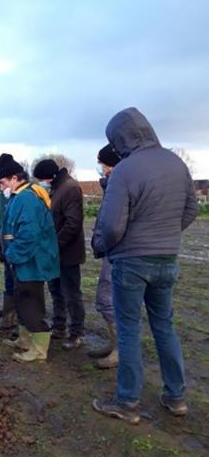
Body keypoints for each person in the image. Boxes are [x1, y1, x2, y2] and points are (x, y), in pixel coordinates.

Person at [92, 107, 198, 424]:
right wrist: (164, 236)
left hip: (131, 263)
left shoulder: (125, 170)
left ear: (122, 138)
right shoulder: (176, 163)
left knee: (128, 330)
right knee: (164, 326)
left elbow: (111, 226)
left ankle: (127, 402)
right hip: (167, 260)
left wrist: (102, 246)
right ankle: (176, 396)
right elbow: (190, 209)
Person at [0, 153, 60, 362]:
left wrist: (12, 255)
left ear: (15, 178)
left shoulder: (27, 198)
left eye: (3, 182)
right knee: (21, 300)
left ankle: (39, 350)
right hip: (22, 263)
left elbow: (28, 235)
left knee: (31, 302)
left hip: (31, 262)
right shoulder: (19, 196)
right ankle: (24, 340)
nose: (1, 186)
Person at [33, 158, 86, 349]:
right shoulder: (57, 188)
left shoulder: (70, 188)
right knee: (56, 291)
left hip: (68, 253)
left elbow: (73, 223)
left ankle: (76, 333)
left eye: (41, 179)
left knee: (71, 293)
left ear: (50, 176)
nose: (41, 183)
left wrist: (54, 244)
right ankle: (59, 326)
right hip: (54, 253)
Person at [87, 144, 121, 369]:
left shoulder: (120, 184)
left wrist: (106, 242)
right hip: (111, 250)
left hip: (118, 251)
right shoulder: (111, 185)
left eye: (104, 164)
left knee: (107, 299)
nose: (101, 168)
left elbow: (115, 222)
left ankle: (121, 350)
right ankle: (115, 344)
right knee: (108, 299)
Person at [0, 186, 16, 329]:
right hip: (5, 241)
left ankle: (17, 315)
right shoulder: (2, 195)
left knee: (18, 280)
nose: (1, 186)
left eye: (3, 183)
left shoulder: (21, 196)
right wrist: (0, 243)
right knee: (8, 277)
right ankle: (8, 313)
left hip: (16, 243)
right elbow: (0, 219)